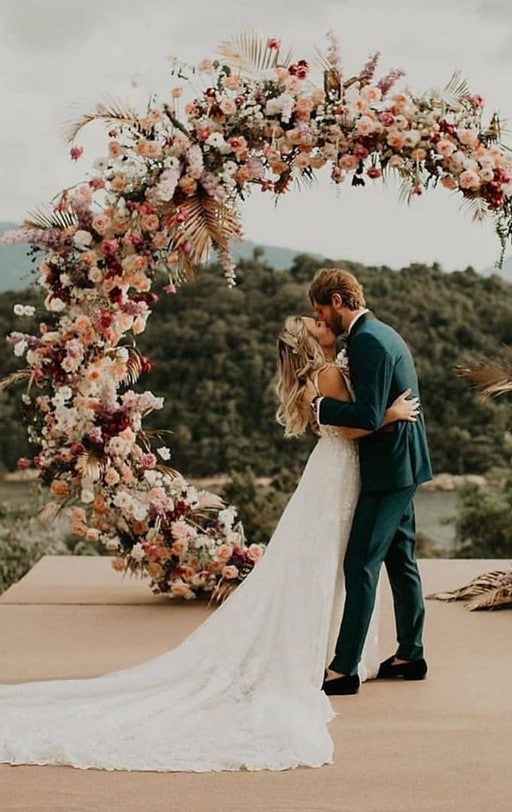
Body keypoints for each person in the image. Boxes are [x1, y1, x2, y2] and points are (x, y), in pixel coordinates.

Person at [0, 315, 418, 773]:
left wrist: (337, 408)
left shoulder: (315, 377)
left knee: (326, 561)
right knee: (348, 563)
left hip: (335, 475)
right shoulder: (332, 373)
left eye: (317, 318)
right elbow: (361, 424)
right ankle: (348, 660)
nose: (321, 324)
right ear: (309, 342)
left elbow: (338, 415)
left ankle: (354, 654)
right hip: (348, 471)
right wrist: (390, 413)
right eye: (313, 323)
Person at [307, 268, 433, 697]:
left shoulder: (367, 342)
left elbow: (366, 416)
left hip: (388, 470)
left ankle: (343, 670)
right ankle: (410, 655)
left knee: (360, 563)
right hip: (402, 465)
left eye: (321, 308)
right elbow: (382, 410)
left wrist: (319, 406)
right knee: (400, 559)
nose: (321, 317)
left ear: (339, 301)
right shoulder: (382, 333)